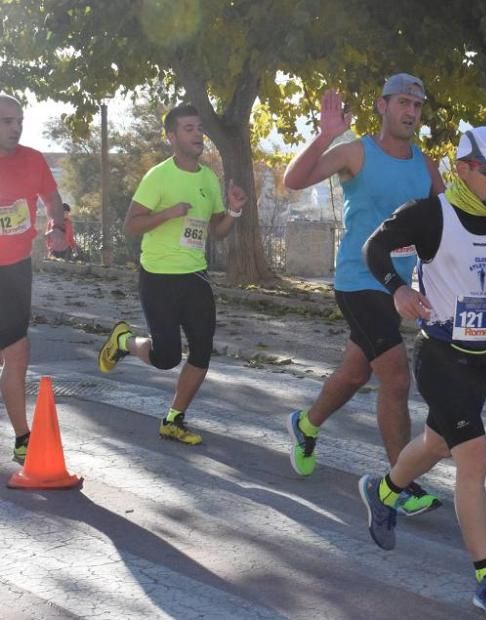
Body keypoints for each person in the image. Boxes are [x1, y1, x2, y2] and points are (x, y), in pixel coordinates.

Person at [357, 126, 486, 615]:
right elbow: (373, 249)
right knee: (475, 459)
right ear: (463, 168)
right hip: (441, 356)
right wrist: (396, 290)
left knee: (439, 443)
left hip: (482, 361)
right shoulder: (430, 215)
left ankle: (383, 492)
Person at [282, 74, 445, 517]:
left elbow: (447, 219)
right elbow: (294, 180)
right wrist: (325, 136)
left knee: (356, 374)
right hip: (358, 280)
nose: (411, 112)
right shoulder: (357, 151)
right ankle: (400, 483)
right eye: (403, 103)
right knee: (394, 376)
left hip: (396, 288)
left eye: (417, 105)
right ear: (382, 106)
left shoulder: (423, 164)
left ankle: (307, 423)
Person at [97, 104, 247, 445]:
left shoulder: (209, 178)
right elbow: (131, 225)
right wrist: (169, 214)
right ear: (172, 137)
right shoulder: (158, 177)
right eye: (189, 128)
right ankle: (123, 341)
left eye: (199, 128)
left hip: (195, 275)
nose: (198, 134)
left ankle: (174, 418)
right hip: (158, 276)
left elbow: (217, 231)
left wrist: (235, 210)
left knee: (202, 350)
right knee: (166, 357)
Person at [0, 93, 68, 463]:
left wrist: (57, 226)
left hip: (16, 270)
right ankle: (23, 434)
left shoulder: (33, 160)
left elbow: (52, 199)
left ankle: (23, 438)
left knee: (17, 351)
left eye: (19, 121)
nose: (15, 128)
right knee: (12, 352)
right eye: (6, 121)